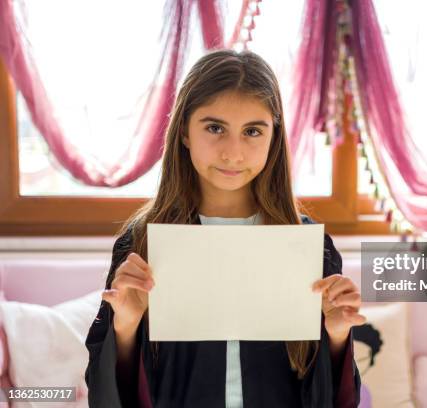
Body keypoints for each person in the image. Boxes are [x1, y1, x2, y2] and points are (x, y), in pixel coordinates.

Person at [85, 49, 364, 408]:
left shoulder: (309, 248)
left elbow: (335, 397)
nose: (233, 153)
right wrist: (125, 326)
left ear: (273, 138)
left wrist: (338, 334)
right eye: (215, 128)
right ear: (185, 131)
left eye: (252, 131)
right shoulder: (141, 243)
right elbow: (108, 393)